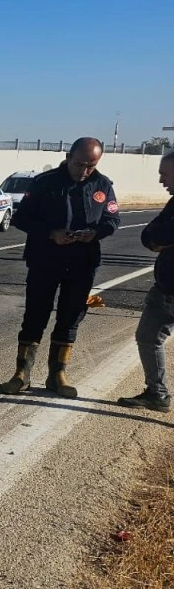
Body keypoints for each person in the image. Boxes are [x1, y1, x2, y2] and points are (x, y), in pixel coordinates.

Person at [0, 138, 120, 397]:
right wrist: (51, 233)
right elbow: (22, 218)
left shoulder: (103, 184)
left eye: (91, 165)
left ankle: (58, 374)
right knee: (35, 315)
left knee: (70, 317)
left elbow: (112, 219)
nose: (84, 170)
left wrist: (95, 233)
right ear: (68, 156)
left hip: (82, 262)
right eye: (79, 164)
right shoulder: (45, 182)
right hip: (45, 259)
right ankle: (22, 374)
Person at [118, 151, 174, 412]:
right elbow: (149, 234)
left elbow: (160, 233)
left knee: (149, 338)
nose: (162, 180)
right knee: (148, 338)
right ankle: (157, 394)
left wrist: (161, 239)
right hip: (164, 289)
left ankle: (158, 394)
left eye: (165, 173)